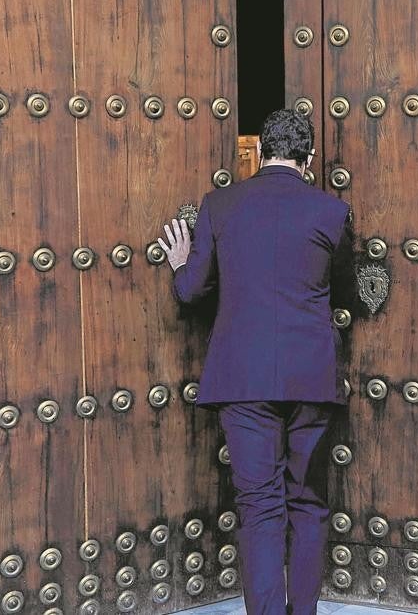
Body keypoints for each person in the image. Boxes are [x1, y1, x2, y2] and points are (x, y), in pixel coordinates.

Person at [157, 109, 356, 615]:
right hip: (311, 377)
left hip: (241, 378)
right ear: (308, 159)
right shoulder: (331, 212)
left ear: (260, 153)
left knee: (259, 506)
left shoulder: (219, 206)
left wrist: (181, 263)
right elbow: (348, 293)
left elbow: (191, 291)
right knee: (307, 504)